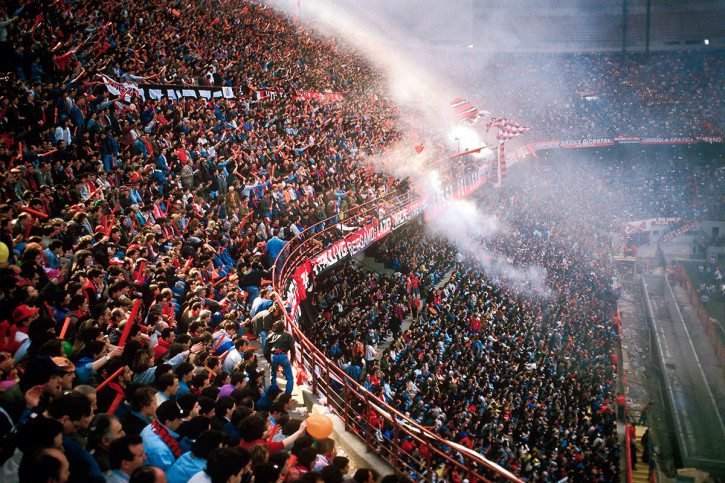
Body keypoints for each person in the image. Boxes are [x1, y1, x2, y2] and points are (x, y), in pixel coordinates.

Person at [140, 400, 185, 471]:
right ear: (168, 422)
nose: (181, 422)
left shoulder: (150, 427)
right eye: (178, 419)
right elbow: (167, 475)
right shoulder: (161, 450)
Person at [264, 321, 295, 394]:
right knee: (289, 378)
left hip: (274, 356)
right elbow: (292, 349)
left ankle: (274, 393)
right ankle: (287, 395)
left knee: (273, 375)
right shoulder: (287, 336)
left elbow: (266, 352)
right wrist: (292, 360)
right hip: (283, 355)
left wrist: (269, 361)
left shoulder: (270, 336)